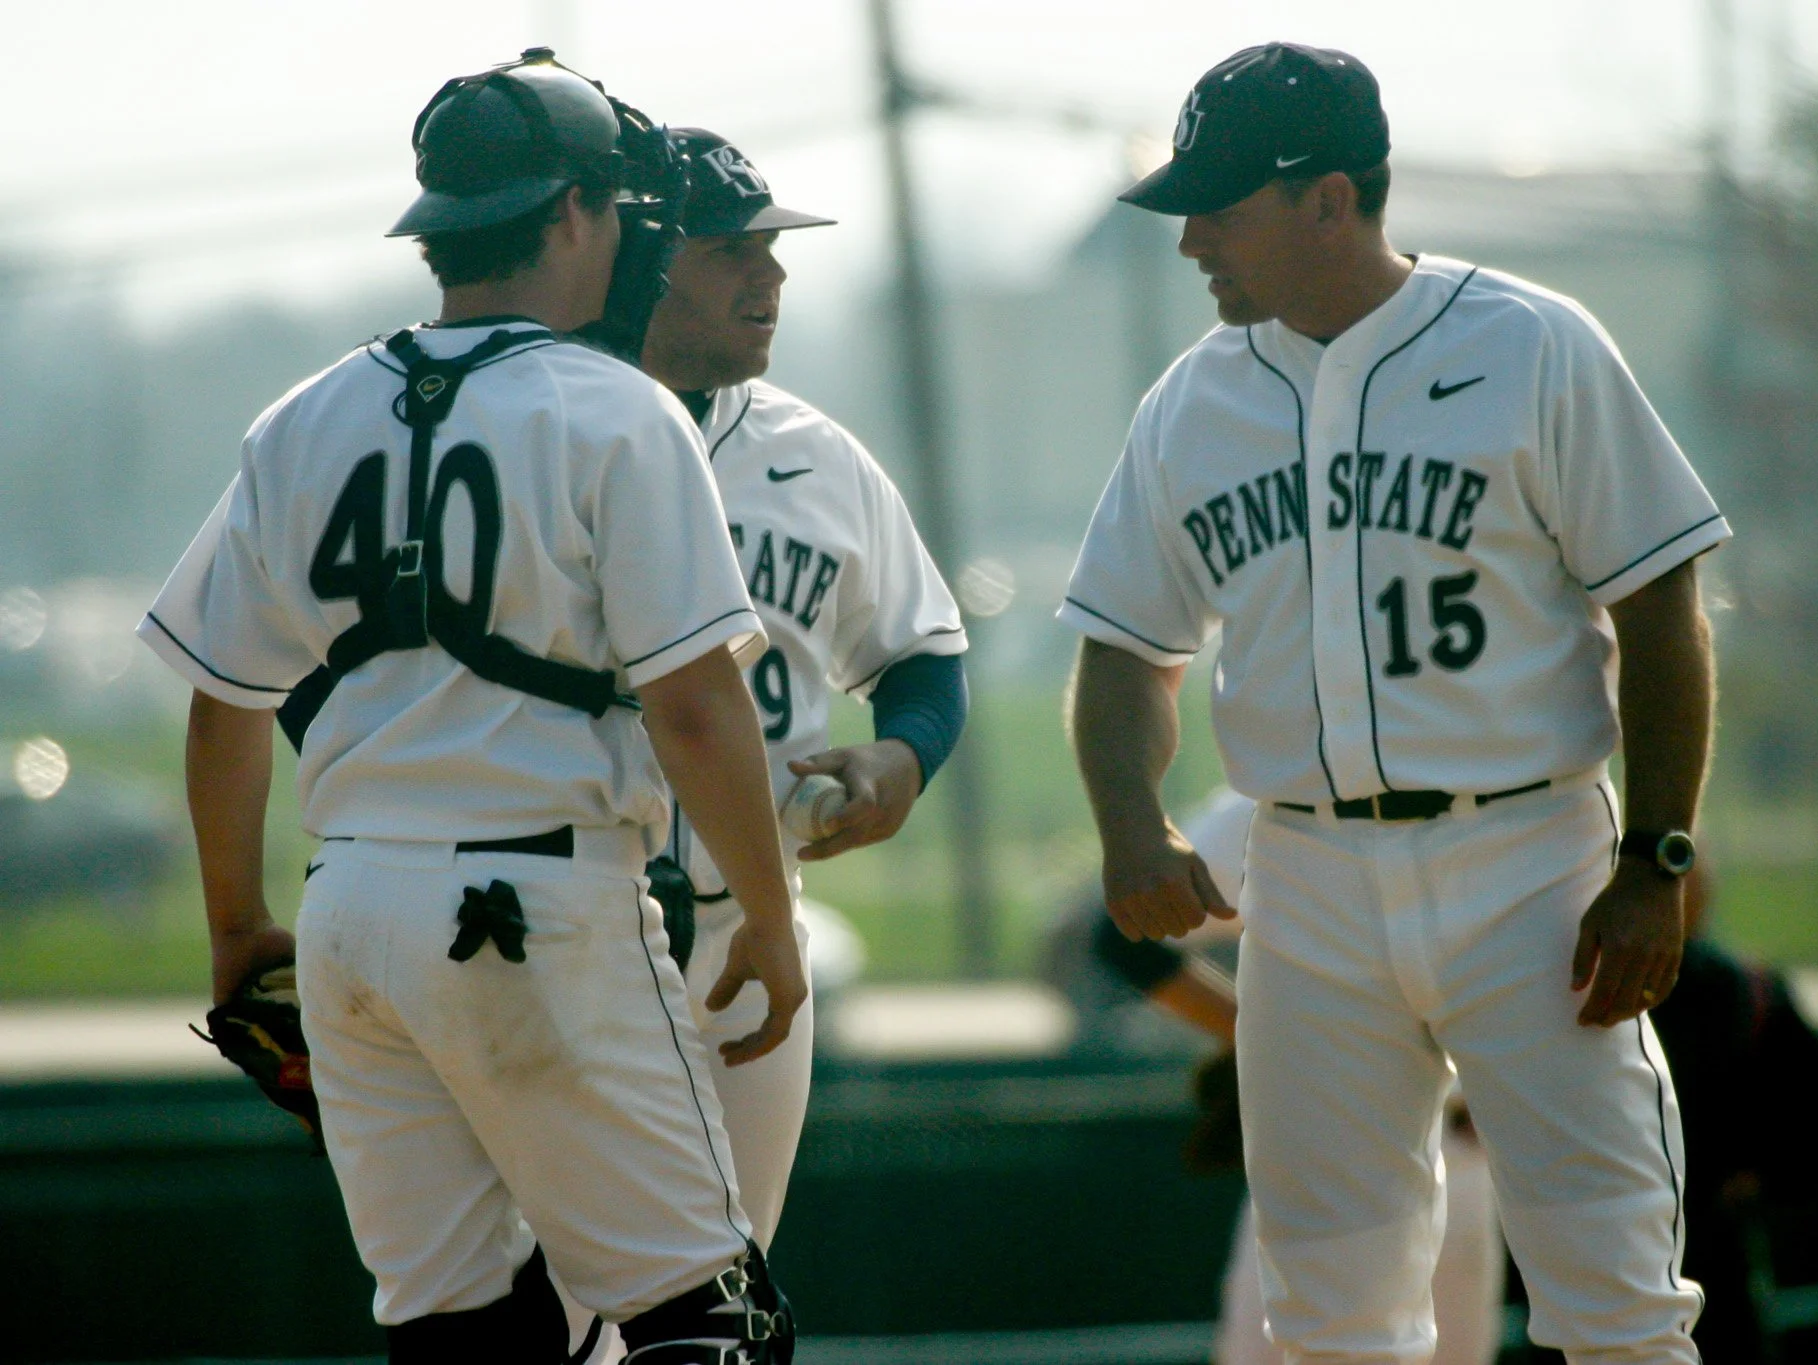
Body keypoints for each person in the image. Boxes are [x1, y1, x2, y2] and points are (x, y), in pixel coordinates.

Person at [1062, 42, 1729, 1365]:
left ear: (1327, 198)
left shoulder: (1530, 343)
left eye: (1224, 203)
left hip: (1528, 863)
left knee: (1617, 1297)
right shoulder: (1192, 402)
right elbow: (1128, 653)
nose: (1192, 236)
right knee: (1329, 1316)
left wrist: (1656, 855)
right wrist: (1132, 826)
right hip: (1303, 876)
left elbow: (1662, 607)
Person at [137, 51, 802, 1364]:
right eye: (612, 205)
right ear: (570, 214)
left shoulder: (301, 418)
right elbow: (698, 709)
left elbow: (225, 708)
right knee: (710, 1326)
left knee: (460, 1339)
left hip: (348, 923)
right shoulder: (616, 409)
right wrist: (771, 915)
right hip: (535, 904)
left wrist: (238, 929)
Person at [630, 127, 969, 1255]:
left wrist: (900, 756)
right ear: (640, 256)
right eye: (732, 250)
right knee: (559, 1315)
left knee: (726, 1288)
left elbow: (922, 655)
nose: (770, 276)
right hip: (567, 923)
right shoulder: (543, 433)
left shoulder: (813, 456)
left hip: (746, 928)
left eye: (771, 249)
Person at [1053, 787, 1504, 1365]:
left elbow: (1123, 943)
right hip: (1350, 1141)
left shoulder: (1290, 780)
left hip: (1426, 1145)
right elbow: (1124, 938)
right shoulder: (1291, 784)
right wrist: (1269, 1041)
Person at [1647, 860, 1818, 1363]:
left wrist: (1762, 1182)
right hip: (1645, 1241)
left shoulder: (1748, 991)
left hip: (1706, 1247)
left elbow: (1815, 1122)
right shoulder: (1750, 990)